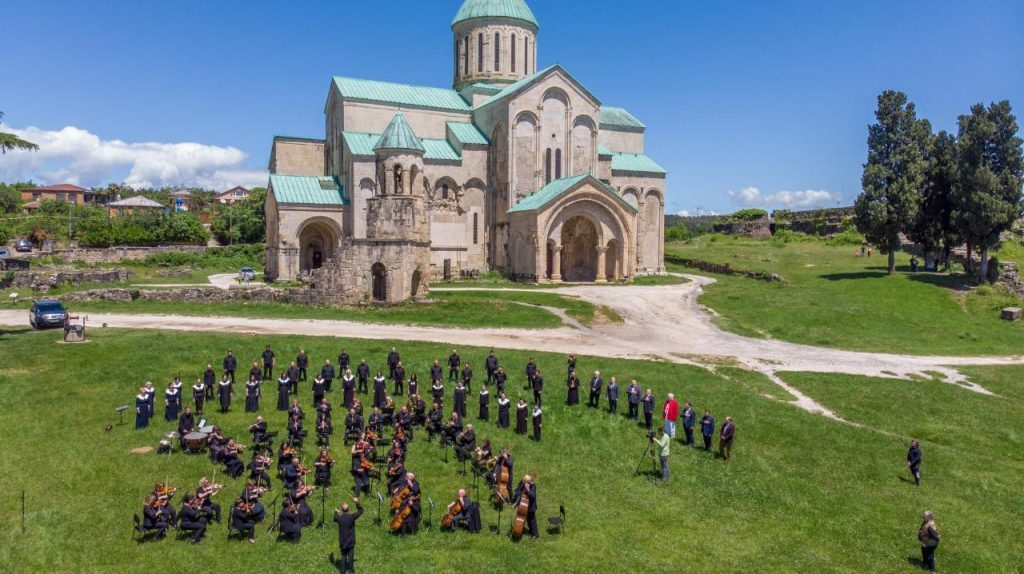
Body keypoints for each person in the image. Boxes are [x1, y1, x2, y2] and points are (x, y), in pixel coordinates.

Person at [334, 498, 364, 573]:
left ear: (342, 510)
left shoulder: (339, 518)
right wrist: (357, 502)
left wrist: (336, 512)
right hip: (351, 542)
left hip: (343, 542)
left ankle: (342, 572)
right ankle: (351, 571)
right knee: (350, 558)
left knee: (343, 558)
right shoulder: (351, 517)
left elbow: (335, 518)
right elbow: (361, 511)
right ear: (348, 509)